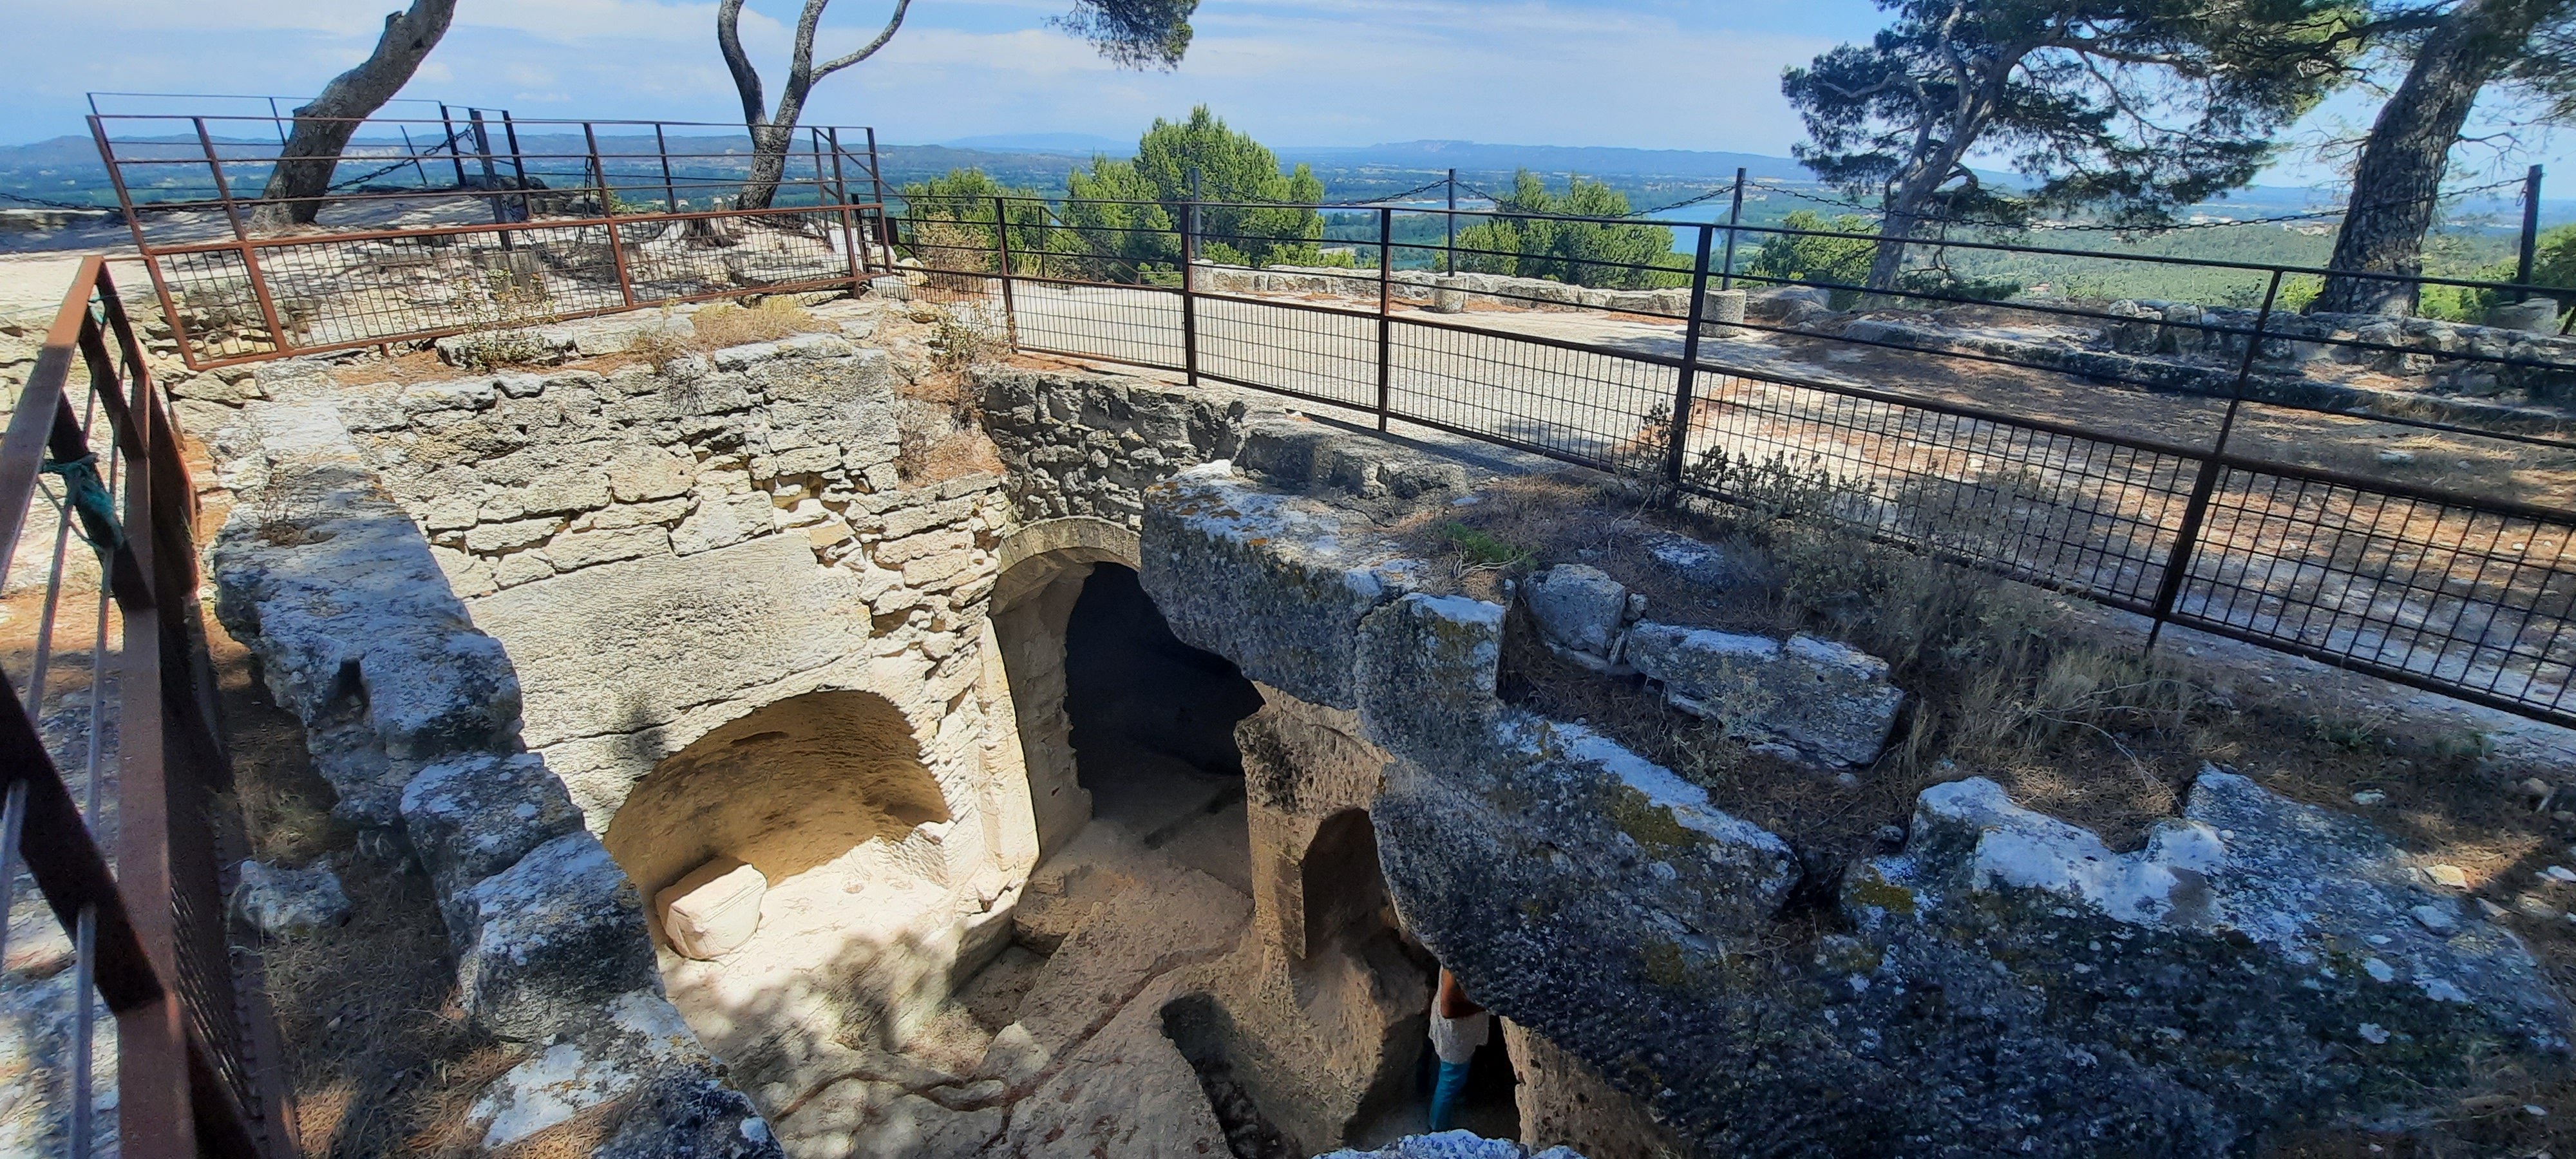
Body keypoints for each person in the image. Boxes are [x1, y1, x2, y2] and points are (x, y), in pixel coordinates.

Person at [1426, 967, 1488, 1133]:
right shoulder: (1456, 967)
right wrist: (1486, 1006)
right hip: (1456, 1032)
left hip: (1456, 1028)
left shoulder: (1457, 955)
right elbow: (1448, 1009)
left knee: (1446, 1069)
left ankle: (1435, 1093)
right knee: (1451, 1079)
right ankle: (1438, 1129)